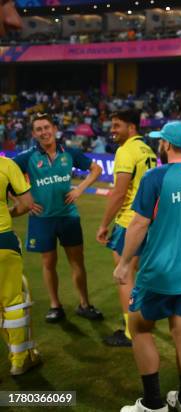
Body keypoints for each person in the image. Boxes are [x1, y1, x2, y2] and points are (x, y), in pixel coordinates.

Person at [115, 122, 181, 412]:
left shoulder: (155, 177)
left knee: (139, 327)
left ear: (167, 145)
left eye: (161, 141)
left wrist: (123, 263)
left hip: (158, 272)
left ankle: (153, 403)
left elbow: (139, 223)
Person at [13, 113, 104, 323]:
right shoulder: (28, 157)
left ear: (54, 129)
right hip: (42, 219)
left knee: (77, 262)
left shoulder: (69, 152)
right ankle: (55, 306)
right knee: (48, 263)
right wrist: (23, 200)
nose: (44, 132)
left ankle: (84, 304)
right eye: (38, 129)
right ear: (34, 134)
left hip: (68, 217)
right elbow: (5, 173)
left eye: (46, 127)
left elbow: (96, 169)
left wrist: (80, 189)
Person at [97, 109, 157, 347]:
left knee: (124, 276)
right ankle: (143, 320)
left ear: (131, 127)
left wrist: (103, 224)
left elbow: (119, 193)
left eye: (116, 125)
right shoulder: (148, 150)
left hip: (128, 222)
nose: (112, 130)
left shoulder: (126, 150)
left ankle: (131, 331)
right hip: (147, 220)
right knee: (138, 273)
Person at [0, 156, 40, 375]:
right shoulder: (6, 165)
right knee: (12, 302)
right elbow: (27, 204)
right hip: (3, 240)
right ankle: (19, 361)